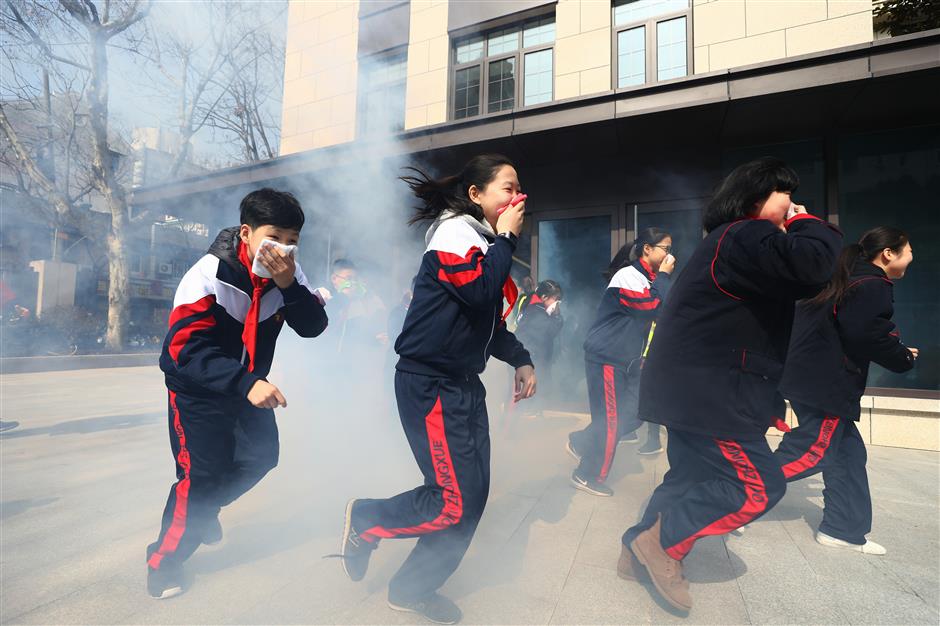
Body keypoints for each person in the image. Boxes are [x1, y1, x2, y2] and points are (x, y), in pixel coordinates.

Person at [619, 157, 842, 612]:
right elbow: (816, 265)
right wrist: (805, 221)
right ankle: (661, 544)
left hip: (696, 388)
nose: (794, 204)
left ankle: (633, 551)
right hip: (711, 391)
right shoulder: (746, 232)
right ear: (758, 197)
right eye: (787, 195)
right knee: (759, 486)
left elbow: (745, 327)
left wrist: (766, 396)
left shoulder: (729, 242)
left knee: (690, 476)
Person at [336, 154, 536, 625]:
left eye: (519, 188)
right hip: (429, 383)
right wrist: (507, 236)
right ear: (476, 194)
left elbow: (489, 321)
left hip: (463, 384)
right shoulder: (454, 234)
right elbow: (481, 293)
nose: (517, 198)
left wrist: (520, 358)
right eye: (508, 188)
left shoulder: (484, 244)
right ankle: (367, 519)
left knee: (473, 497)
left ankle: (412, 588)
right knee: (453, 498)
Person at [147, 188, 328, 599]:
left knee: (262, 458)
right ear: (246, 233)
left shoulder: (290, 274)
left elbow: (314, 326)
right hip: (197, 391)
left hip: (249, 388)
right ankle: (163, 561)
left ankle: (205, 509)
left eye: (292, 239)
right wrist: (247, 383)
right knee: (200, 477)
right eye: (274, 235)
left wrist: (288, 284)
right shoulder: (207, 274)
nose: (282, 248)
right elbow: (184, 350)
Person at [776, 227, 917, 555]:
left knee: (848, 455)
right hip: (827, 383)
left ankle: (843, 529)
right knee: (813, 450)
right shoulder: (871, 284)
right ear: (888, 254)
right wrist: (902, 357)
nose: (911, 258)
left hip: (813, 379)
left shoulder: (847, 278)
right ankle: (728, 492)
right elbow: (865, 333)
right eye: (909, 251)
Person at [567, 229, 675, 496]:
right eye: (665, 248)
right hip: (607, 357)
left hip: (626, 360)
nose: (669, 255)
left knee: (637, 414)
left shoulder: (647, 278)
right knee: (612, 422)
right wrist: (664, 276)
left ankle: (582, 440)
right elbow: (654, 307)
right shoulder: (627, 276)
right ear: (647, 249)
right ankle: (586, 473)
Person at [513, 279, 564, 415]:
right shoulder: (536, 311)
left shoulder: (533, 304)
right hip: (528, 362)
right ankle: (511, 429)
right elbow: (550, 331)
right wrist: (557, 316)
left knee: (530, 399)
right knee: (521, 400)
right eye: (556, 299)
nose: (558, 303)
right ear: (544, 297)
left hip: (530, 360)